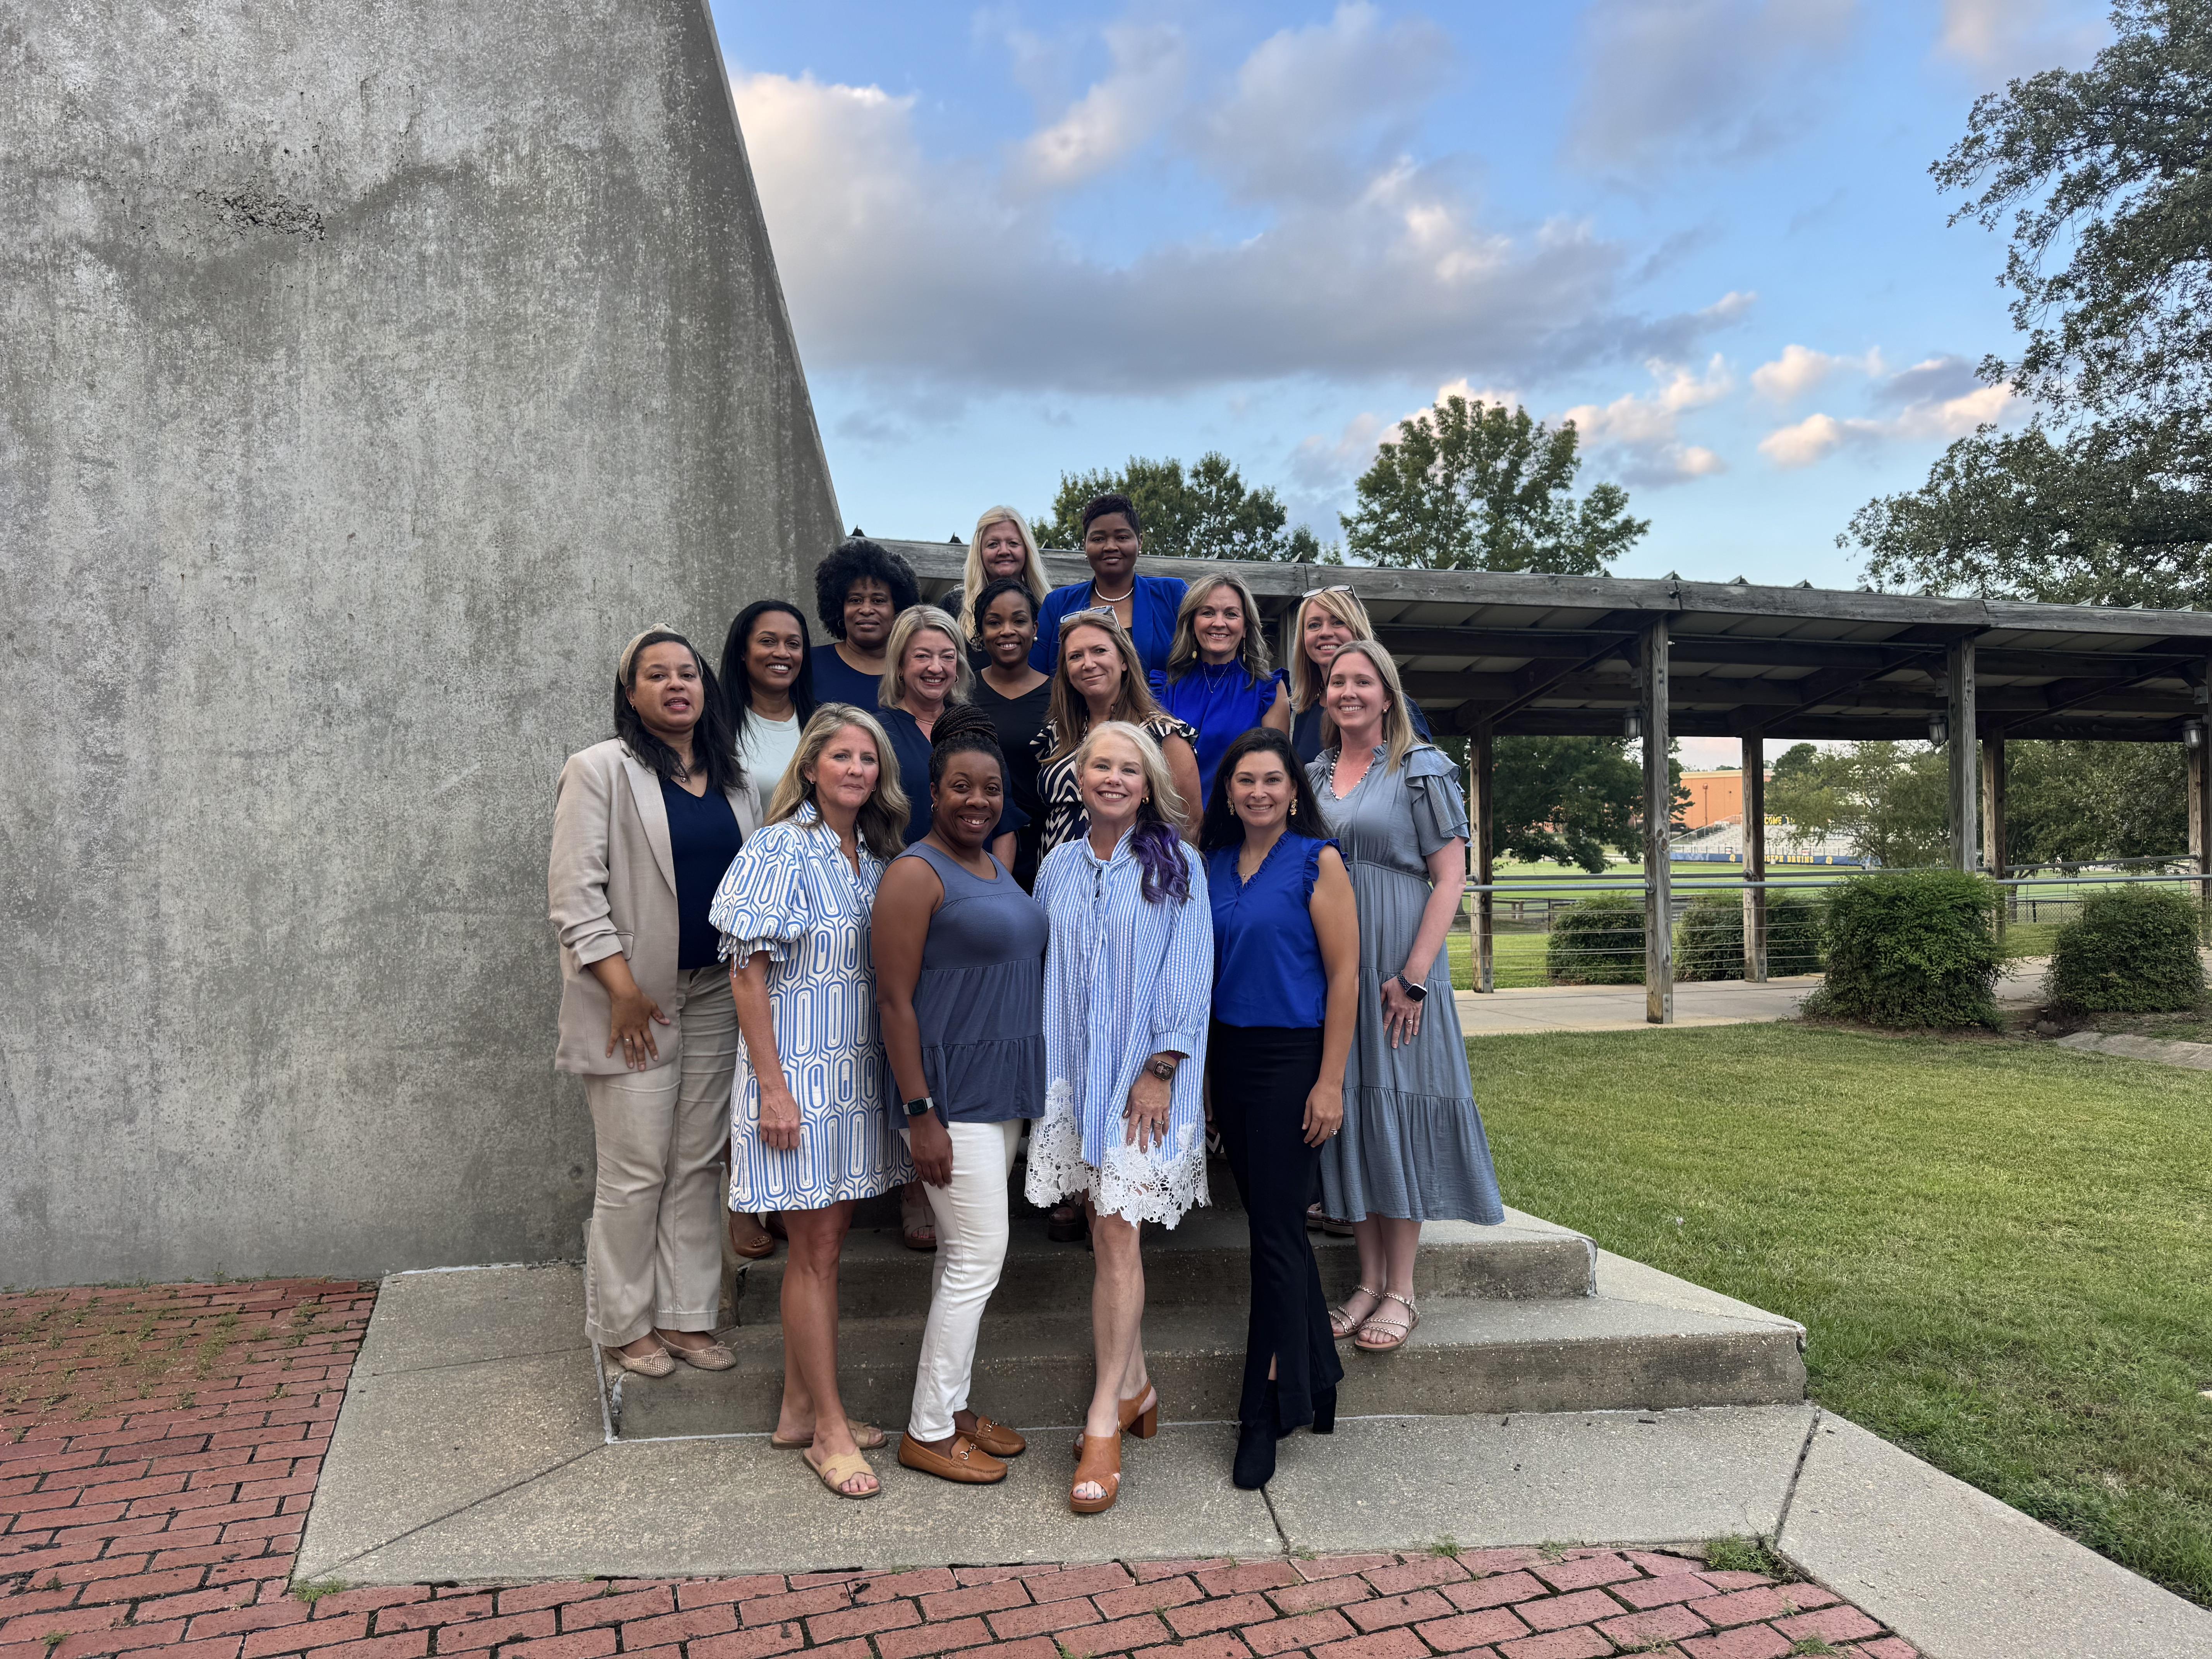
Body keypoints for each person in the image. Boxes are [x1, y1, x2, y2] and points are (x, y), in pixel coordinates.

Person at [707, 706, 914, 1499]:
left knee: (824, 1250)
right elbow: (746, 973)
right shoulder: (781, 847)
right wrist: (771, 1087)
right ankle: (828, 1431)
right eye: (842, 757)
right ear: (811, 766)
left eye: (869, 758)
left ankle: (800, 1409)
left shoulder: (868, 856)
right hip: (793, 1081)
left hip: (851, 1081)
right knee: (817, 1254)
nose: (857, 769)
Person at [550, 627, 758, 1380]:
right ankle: (622, 1324)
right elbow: (575, 899)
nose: (677, 685)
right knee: (636, 1168)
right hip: (631, 1002)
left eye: (689, 674)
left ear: (707, 690)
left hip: (714, 996)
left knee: (698, 1163)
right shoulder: (599, 770)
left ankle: (685, 1316)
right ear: (631, 693)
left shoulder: (737, 784)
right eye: (657, 675)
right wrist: (624, 992)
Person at [1025, 723, 1213, 1515]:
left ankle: (1105, 1413)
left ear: (1147, 783)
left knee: (1118, 1230)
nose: (1111, 778)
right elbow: (1040, 966)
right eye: (1099, 764)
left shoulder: (1177, 863)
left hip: (1144, 1081)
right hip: (1075, 1077)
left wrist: (1162, 1069)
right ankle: (1134, 1386)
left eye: (1127, 768)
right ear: (1080, 778)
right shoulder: (1057, 867)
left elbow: (1191, 967)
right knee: (1107, 1233)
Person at [1305, 642, 1504, 1356]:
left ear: (1387, 696)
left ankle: (1403, 1288)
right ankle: (1365, 1280)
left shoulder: (1420, 767)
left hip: (1399, 963)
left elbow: (1449, 876)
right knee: (1351, 1108)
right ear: (1324, 695)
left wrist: (1414, 974)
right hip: (1336, 965)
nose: (1348, 690)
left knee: (1401, 1100)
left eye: (1363, 680)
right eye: (1337, 681)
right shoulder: (1313, 775)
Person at [871, 705, 1047, 1486]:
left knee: (963, 1261)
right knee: (979, 1258)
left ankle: (952, 1405)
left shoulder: (991, 865)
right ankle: (929, 1429)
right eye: (959, 789)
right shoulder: (916, 872)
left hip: (998, 1091)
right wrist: (920, 1114)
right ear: (932, 793)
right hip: (949, 1100)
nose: (976, 801)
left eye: (989, 789)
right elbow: (894, 1002)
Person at [1199, 729, 1358, 1489]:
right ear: (1228, 792)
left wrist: (1329, 1082)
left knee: (1275, 1237)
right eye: (1244, 781)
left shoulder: (1315, 861)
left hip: (1294, 1062)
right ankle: (1316, 1379)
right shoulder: (1213, 867)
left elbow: (1347, 976)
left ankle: (1262, 1409)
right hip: (1230, 1058)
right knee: (1275, 1229)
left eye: (1272, 780)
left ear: (1294, 790)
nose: (1258, 792)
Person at [1036, 609, 1202, 857]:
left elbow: (1191, 825)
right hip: (1059, 879)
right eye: (1075, 656)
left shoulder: (1162, 734)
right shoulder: (1058, 733)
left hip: (1136, 880)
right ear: (1067, 672)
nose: (1088, 664)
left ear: (1124, 661)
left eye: (1100, 651)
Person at [877, 605, 1021, 863]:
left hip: (977, 887)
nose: (936, 668)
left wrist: (997, 891)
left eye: (947, 656)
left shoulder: (977, 728)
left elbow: (1005, 824)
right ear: (899, 665)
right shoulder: (877, 734)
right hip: (904, 885)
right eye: (922, 656)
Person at [1149, 572, 1291, 801]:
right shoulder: (1162, 688)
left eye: (1231, 614)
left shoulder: (1268, 691)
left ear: (1246, 627)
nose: (1219, 623)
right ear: (1192, 622)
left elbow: (1275, 775)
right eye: (1207, 613)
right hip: (1170, 828)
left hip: (1241, 826)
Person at [1029, 493, 1187, 677]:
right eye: (1098, 539)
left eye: (1122, 537)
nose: (1110, 546)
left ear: (1140, 542)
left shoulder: (1173, 595)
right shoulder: (1057, 604)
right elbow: (1037, 676)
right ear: (1085, 546)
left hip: (1162, 706)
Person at [967, 576, 1051, 889]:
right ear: (981, 632)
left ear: (1036, 629)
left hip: (1048, 849)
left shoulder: (1062, 696)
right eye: (994, 622)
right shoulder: (962, 693)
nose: (1007, 631)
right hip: (977, 846)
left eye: (1019, 620)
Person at [1287, 586, 1433, 764]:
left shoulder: (1395, 706)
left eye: (1338, 622)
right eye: (1314, 625)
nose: (1325, 632)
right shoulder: (1304, 713)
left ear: (1358, 631)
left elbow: (1425, 776)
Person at [720, 599, 817, 824]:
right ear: (743, 651)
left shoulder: (822, 725)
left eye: (793, 644)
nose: (783, 653)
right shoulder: (715, 723)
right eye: (768, 642)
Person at [811, 538, 919, 709]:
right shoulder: (809, 664)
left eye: (878, 600)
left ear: (897, 609)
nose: (866, 609)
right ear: (840, 608)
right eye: (856, 600)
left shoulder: (915, 670)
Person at [957, 507, 1052, 645]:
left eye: (1013, 543)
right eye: (993, 544)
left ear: (1027, 550)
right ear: (979, 553)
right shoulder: (954, 605)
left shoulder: (1048, 608)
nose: (1003, 551)